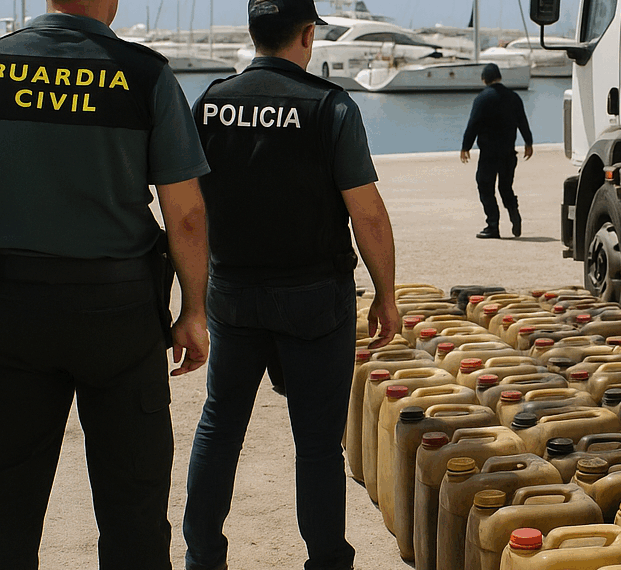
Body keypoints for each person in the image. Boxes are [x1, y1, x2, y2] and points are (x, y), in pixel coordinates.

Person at [182, 1, 399, 569]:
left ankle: (202, 556)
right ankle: (326, 560)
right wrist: (386, 294)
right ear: (306, 35)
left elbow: (190, 208)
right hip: (314, 297)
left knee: (219, 428)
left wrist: (192, 299)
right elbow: (368, 215)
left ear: (254, 34)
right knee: (318, 444)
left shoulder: (211, 103)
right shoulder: (330, 106)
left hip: (232, 293)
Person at [0, 0, 211, 568]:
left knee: (6, 506)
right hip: (119, 313)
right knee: (134, 505)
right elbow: (186, 214)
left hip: (11, 309)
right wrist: (193, 310)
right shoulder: (145, 74)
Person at [460, 62, 534, 239]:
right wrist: (528, 143)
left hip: (489, 154)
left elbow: (473, 124)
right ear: (499, 77)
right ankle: (514, 214)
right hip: (508, 152)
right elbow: (522, 122)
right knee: (505, 187)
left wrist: (465, 146)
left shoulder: (482, 99)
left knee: (485, 186)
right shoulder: (513, 97)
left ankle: (493, 226)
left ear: (484, 79)